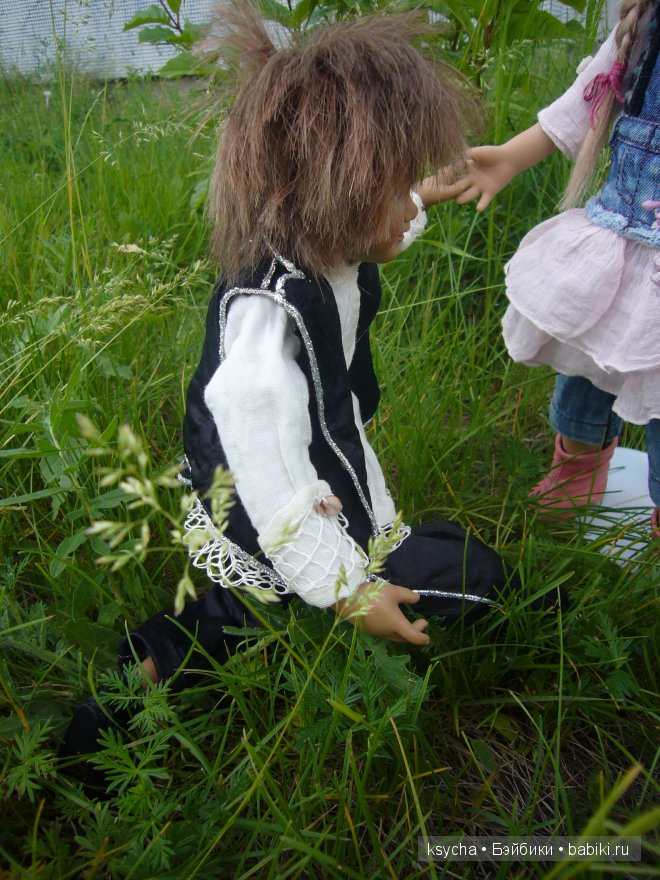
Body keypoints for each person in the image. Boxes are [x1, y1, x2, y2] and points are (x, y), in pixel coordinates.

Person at [62, 2, 519, 781]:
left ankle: (353, 575)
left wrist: (424, 196)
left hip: (307, 446)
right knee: (233, 619)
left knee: (277, 585)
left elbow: (385, 226)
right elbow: (264, 460)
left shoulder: (326, 239)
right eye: (396, 186)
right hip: (257, 477)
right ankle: (110, 719)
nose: (408, 203)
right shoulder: (265, 324)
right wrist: (343, 592)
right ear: (332, 194)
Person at [442, 0, 659, 533]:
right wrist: (512, 157)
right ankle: (577, 469)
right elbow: (586, 101)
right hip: (615, 242)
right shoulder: (647, 23)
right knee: (584, 359)